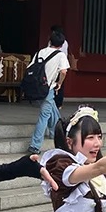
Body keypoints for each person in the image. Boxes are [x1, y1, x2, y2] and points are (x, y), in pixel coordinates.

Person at [28, 27, 69, 155]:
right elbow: (63, 71)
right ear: (62, 45)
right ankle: (35, 145)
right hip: (48, 88)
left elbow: (31, 67)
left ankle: (55, 133)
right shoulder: (61, 55)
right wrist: (60, 83)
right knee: (44, 116)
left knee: (53, 110)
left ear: (49, 41)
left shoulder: (40, 52)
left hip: (36, 88)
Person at [51, 25, 69, 109]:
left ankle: (54, 102)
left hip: (55, 65)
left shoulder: (53, 42)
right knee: (60, 85)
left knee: (53, 84)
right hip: (63, 64)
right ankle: (59, 103)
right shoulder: (65, 42)